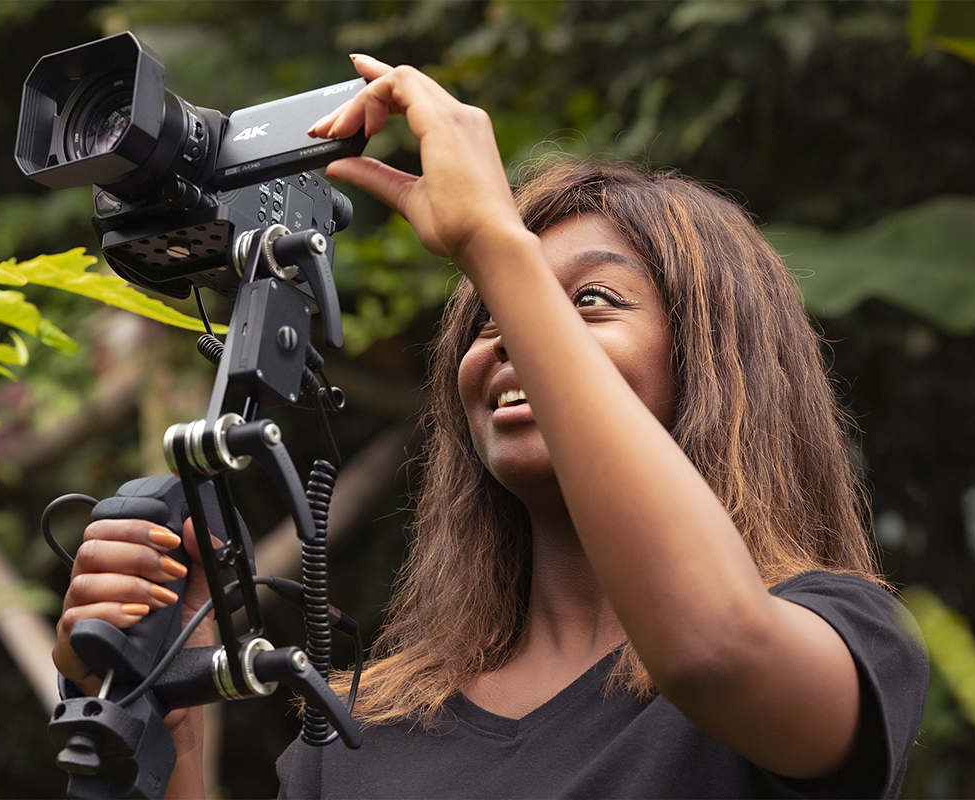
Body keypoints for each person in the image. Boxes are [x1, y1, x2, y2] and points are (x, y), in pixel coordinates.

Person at [54, 55, 927, 799]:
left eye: (588, 299)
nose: (510, 333)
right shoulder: (358, 730)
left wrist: (494, 244)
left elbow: (710, 648)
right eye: (485, 320)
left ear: (717, 365)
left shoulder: (840, 638)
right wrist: (163, 706)